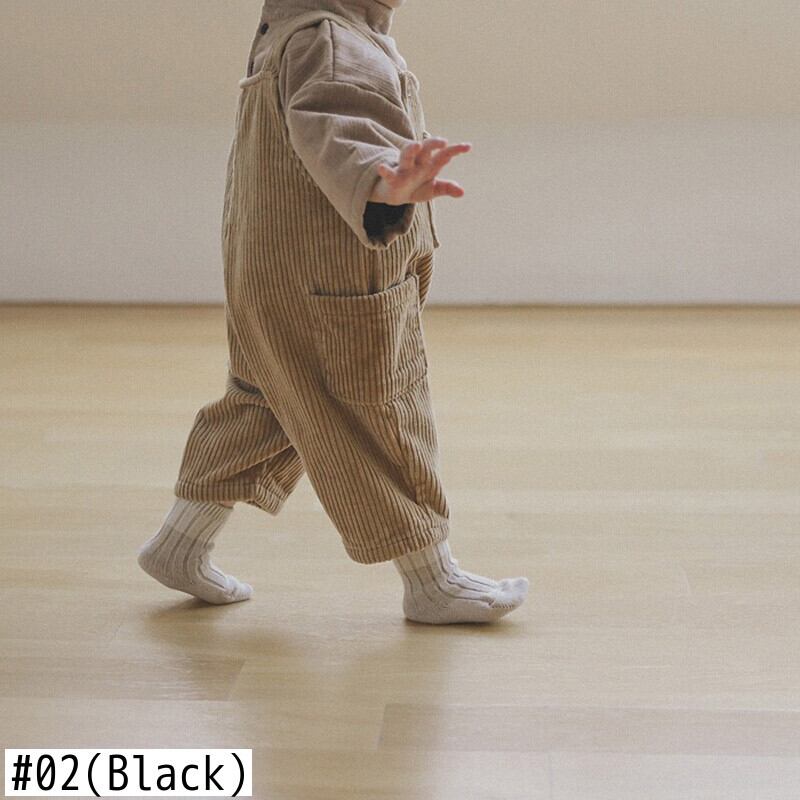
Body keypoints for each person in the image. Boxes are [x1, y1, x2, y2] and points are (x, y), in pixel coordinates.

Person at [137, 0, 529, 624]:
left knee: (270, 398)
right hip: (334, 281)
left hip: (275, 270)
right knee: (379, 406)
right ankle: (431, 579)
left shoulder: (293, 30)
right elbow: (339, 124)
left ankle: (179, 544)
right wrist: (383, 182)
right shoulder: (330, 39)